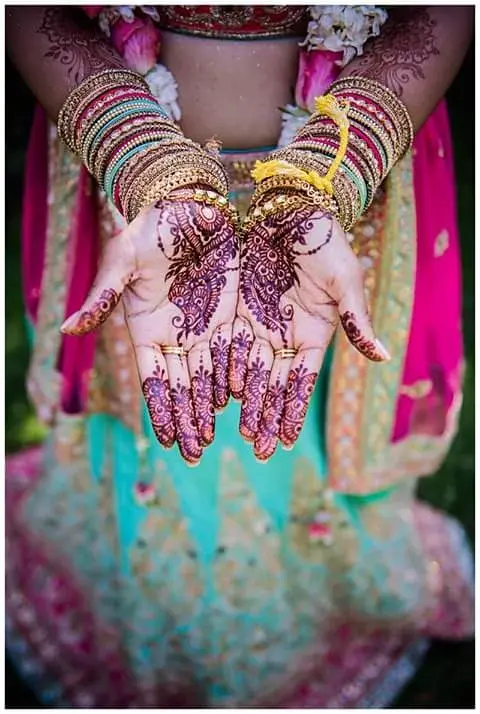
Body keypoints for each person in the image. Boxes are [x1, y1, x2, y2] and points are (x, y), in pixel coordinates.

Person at [6, 5, 474, 708]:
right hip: (129, 197)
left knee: (302, 416)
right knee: (151, 420)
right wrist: (144, 160)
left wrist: (325, 181)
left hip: (352, 190)